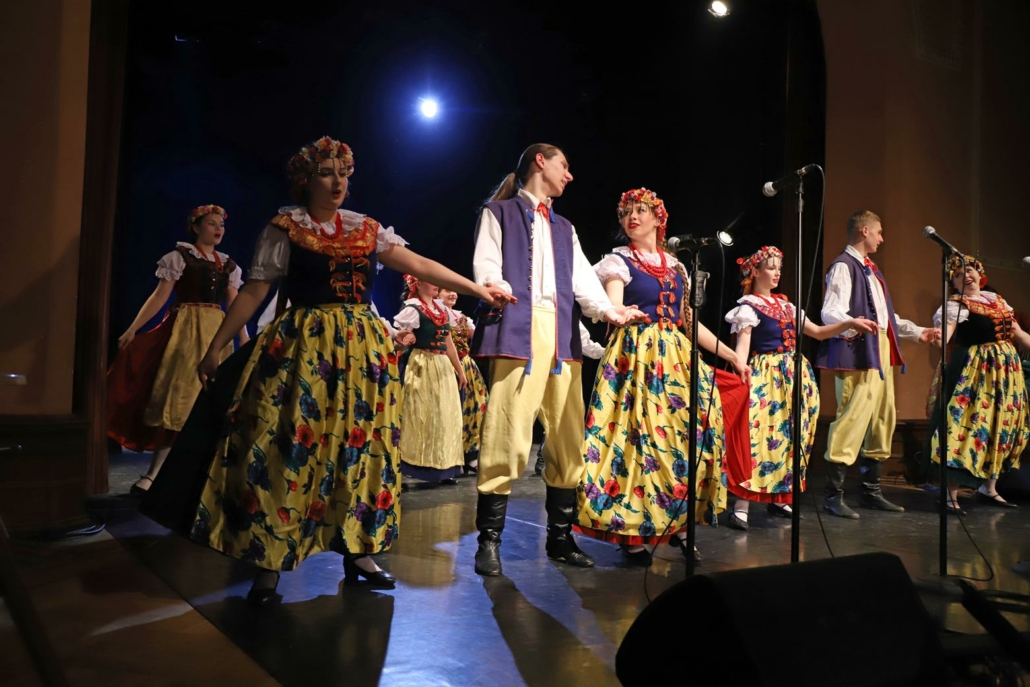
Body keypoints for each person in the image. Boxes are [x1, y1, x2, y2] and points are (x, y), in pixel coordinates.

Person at [151, 136, 513, 604]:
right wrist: (216, 347)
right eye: (326, 173)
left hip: (362, 351)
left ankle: (359, 550)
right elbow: (255, 291)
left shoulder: (366, 229)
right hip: (305, 346)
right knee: (287, 445)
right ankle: (269, 559)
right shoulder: (286, 228)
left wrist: (479, 290)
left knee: (361, 447)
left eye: (343, 173)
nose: (337, 181)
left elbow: (420, 263)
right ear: (306, 180)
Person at [470, 143, 643, 577]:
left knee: (567, 437)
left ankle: (560, 539)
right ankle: (489, 540)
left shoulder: (564, 227)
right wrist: (495, 284)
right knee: (507, 432)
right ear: (540, 162)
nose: (569, 175)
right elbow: (487, 264)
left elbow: (583, 279)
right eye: (564, 165)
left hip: (562, 333)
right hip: (518, 326)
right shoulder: (499, 212)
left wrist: (610, 311)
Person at [574, 188, 748, 565]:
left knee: (685, 437)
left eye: (640, 210)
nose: (631, 217)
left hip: (675, 358)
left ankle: (680, 525)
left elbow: (689, 321)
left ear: (658, 218)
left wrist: (731, 354)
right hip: (636, 355)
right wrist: (622, 313)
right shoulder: (618, 261)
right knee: (638, 440)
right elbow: (613, 304)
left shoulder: (677, 266)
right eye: (626, 213)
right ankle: (632, 530)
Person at [723, 246, 876, 530]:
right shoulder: (747, 308)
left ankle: (780, 496)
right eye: (771, 268)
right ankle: (741, 505)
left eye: (779, 268)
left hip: (795, 377)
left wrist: (849, 323)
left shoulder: (787, 306)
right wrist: (741, 376)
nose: (777, 273)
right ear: (755, 272)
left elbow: (817, 332)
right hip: (767, 377)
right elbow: (742, 350)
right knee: (758, 437)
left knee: (792, 437)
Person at [106, 204, 247, 495]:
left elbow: (234, 305)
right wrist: (133, 328)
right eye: (211, 223)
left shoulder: (228, 265)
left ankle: (203, 477)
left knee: (213, 402)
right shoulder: (180, 257)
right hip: (186, 331)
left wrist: (243, 337)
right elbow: (160, 297)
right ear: (196, 227)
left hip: (216, 334)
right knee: (179, 401)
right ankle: (154, 474)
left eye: (221, 224)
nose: (218, 229)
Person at [814, 210, 940, 519]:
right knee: (853, 415)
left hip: (879, 346)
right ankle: (833, 496)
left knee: (883, 416)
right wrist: (852, 323)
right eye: (879, 232)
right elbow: (830, 312)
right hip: (858, 348)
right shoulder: (844, 266)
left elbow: (886, 318)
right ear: (865, 231)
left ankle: (870, 491)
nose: (882, 238)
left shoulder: (871, 270)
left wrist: (917, 332)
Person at [921, 255, 1029, 514]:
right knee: (966, 425)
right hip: (976, 371)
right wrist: (937, 336)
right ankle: (950, 495)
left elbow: (1019, 335)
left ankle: (989, 488)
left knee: (1000, 425)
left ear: (981, 274)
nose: (966, 276)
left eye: (969, 270)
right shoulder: (956, 305)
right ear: (953, 284)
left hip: (1006, 372)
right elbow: (945, 337)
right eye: (958, 275)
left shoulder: (998, 301)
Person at [393, 276, 466, 483]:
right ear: (418, 284)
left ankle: (444, 466)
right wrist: (404, 341)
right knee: (420, 414)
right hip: (421, 364)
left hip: (442, 366)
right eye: (431, 281)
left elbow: (448, 343)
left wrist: (459, 370)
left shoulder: (441, 309)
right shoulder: (412, 309)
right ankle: (413, 465)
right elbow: (398, 342)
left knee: (445, 415)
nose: (437, 285)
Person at [534, 321, 605, 476]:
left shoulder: (565, 311)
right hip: (531, 358)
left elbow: (580, 335)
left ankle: (546, 456)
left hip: (559, 362)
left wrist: (602, 352)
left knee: (559, 412)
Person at [439, 288, 488, 475]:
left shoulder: (463, 318)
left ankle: (470, 456)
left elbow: (477, 338)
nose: (453, 294)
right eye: (447, 291)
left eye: (454, 291)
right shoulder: (434, 315)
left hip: (467, 366)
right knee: (451, 411)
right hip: (445, 365)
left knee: (476, 409)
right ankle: (450, 458)